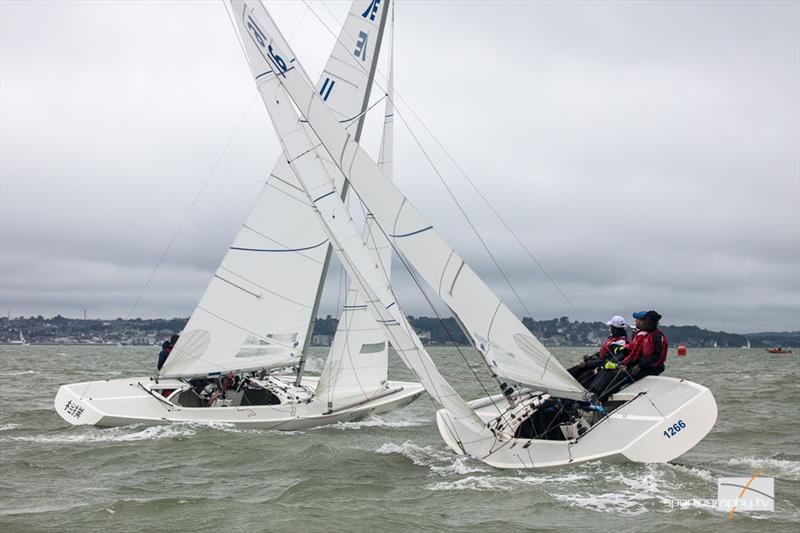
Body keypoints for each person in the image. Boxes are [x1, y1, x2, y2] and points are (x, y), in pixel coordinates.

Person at [587, 310, 668, 403]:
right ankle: (594, 393)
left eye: (641, 320)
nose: (638, 322)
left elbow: (656, 358)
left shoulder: (657, 336)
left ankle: (602, 399)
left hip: (651, 368)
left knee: (620, 378)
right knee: (611, 370)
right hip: (641, 364)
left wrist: (639, 366)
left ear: (648, 321)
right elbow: (633, 351)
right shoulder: (644, 335)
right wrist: (624, 362)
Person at [568, 315, 629, 387]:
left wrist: (587, 364)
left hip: (602, 369)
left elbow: (605, 360)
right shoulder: (612, 338)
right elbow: (601, 354)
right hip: (596, 364)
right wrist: (590, 358)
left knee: (583, 375)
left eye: (611, 327)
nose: (610, 328)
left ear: (615, 329)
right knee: (573, 371)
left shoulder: (620, 343)